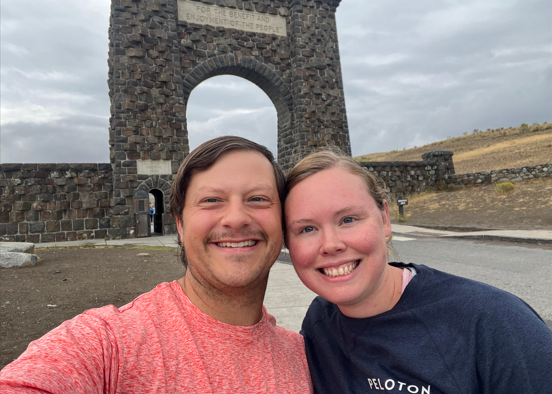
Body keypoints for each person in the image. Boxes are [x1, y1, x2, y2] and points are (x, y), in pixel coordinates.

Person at [0, 136, 313, 393]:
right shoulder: (110, 344)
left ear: (283, 219)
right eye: (211, 200)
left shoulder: (307, 356)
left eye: (258, 198)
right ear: (179, 224)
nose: (236, 219)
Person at [283, 150, 552, 394]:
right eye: (307, 229)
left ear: (385, 219)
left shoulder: (494, 322)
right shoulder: (319, 325)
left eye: (348, 219)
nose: (331, 245)